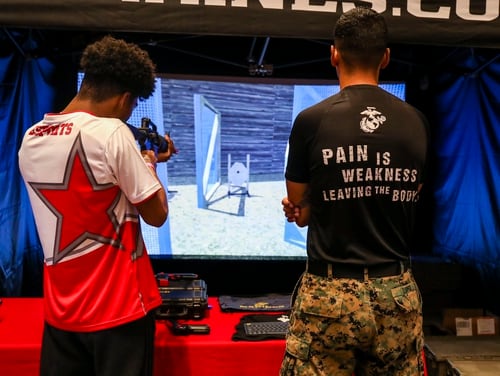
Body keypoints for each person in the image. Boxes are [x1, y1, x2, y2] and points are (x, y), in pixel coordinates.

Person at [280, 7, 429, 376]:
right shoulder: (417, 121)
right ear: (386, 57)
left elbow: (300, 205)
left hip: (329, 297)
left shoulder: (312, 120)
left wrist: (306, 208)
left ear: (334, 53)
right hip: (396, 292)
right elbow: (413, 192)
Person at [18, 35, 175, 376]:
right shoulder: (112, 133)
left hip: (61, 314)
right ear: (125, 99)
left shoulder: (30, 138)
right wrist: (150, 163)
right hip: (119, 311)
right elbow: (157, 213)